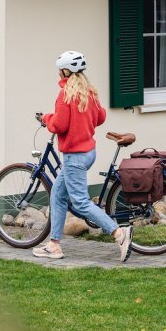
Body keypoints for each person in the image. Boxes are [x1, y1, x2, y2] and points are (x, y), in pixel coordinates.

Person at [34, 50, 132, 262]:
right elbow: (100, 117)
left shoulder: (65, 95)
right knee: (58, 196)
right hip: (89, 153)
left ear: (65, 71)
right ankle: (54, 245)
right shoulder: (89, 92)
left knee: (80, 203)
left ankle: (119, 234)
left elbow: (59, 125)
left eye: (60, 70)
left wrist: (47, 119)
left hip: (74, 156)